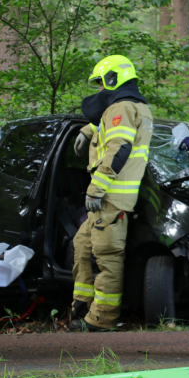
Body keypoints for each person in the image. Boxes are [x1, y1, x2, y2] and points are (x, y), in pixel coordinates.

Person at [70, 55, 153, 332]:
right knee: (81, 245)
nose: (100, 91)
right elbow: (109, 125)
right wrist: (87, 130)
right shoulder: (130, 107)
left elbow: (119, 147)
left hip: (111, 197)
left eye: (102, 84)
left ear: (113, 79)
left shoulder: (125, 107)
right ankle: (81, 308)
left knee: (107, 258)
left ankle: (102, 319)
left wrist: (96, 189)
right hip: (106, 199)